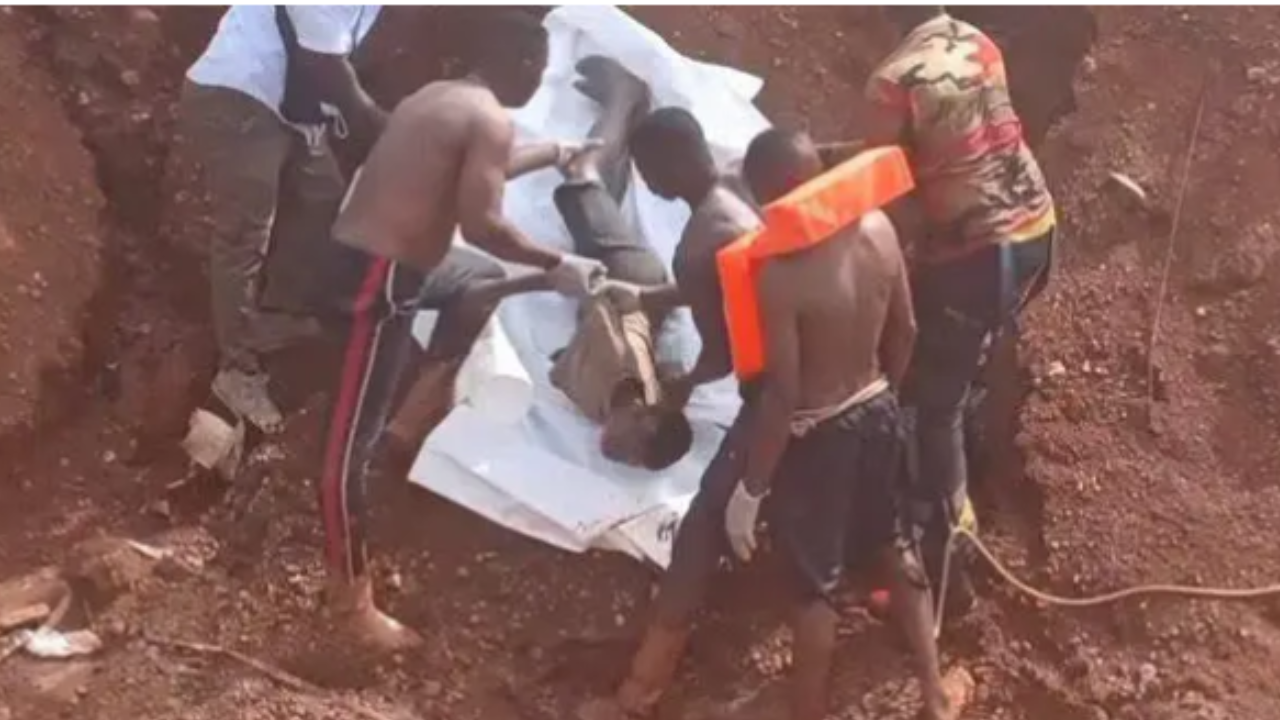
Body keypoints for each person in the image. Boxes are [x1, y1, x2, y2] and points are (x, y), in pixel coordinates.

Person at [316, 11, 606, 652]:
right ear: (521, 62)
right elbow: (483, 224)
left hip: (369, 259)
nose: (539, 80)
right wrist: (556, 265)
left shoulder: (442, 98)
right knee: (343, 457)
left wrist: (554, 153)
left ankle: (414, 411)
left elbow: (477, 176)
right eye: (539, 68)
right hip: (378, 279)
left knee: (476, 279)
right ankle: (350, 604)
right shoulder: (490, 119)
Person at [726, 128, 970, 720]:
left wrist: (751, 488)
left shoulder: (779, 275)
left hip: (818, 437)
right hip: (879, 408)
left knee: (815, 586)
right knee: (895, 545)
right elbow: (906, 331)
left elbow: (782, 394)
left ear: (773, 196)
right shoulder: (879, 228)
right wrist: (881, 397)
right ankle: (936, 695)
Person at [861, 6, 1058, 596]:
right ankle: (973, 417)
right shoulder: (976, 40)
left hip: (978, 257)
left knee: (932, 403)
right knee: (967, 353)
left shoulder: (891, 81)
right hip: (1037, 231)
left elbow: (880, 190)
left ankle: (951, 543)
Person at [578, 107, 764, 720]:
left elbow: (724, 352)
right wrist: (651, 297)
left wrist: (681, 388)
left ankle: (639, 693)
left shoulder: (698, 242)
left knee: (698, 534)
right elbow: (719, 283)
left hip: (780, 392)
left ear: (669, 163)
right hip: (826, 371)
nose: (650, 184)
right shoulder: (740, 186)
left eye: (648, 170)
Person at [181, 6, 389, 432]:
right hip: (238, 94)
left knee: (324, 201)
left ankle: (274, 315)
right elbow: (324, 63)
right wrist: (387, 133)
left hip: (293, 108)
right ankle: (237, 372)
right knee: (245, 235)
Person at [546, 57, 693, 471]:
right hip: (628, 276)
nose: (616, 452)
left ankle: (630, 116)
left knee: (604, 193)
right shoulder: (632, 366)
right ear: (643, 416)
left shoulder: (610, 407)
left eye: (629, 460)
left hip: (615, 285)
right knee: (580, 175)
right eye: (631, 446)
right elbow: (630, 318)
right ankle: (623, 96)